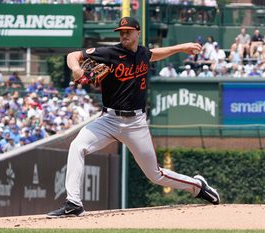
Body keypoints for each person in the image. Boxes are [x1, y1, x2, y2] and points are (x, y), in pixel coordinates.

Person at [47, 16, 220, 218]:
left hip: (136, 123)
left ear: (138, 32)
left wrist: (181, 47)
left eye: (128, 31)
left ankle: (198, 186)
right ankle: (73, 203)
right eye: (121, 32)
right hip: (109, 120)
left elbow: (155, 54)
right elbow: (73, 55)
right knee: (77, 146)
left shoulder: (143, 53)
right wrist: (76, 68)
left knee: (155, 175)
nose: (124, 35)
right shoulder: (110, 52)